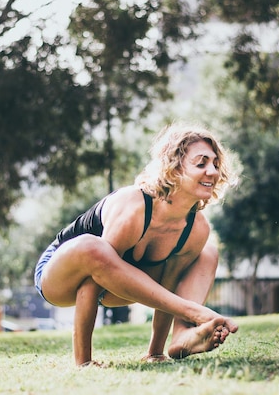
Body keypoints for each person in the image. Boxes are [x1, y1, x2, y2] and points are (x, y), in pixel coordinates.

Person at [34, 123, 239, 366]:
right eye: (201, 163)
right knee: (94, 248)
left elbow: (169, 283)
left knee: (208, 252)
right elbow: (92, 280)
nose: (212, 172)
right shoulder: (133, 207)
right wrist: (84, 362)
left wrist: (155, 353)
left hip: (121, 286)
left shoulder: (196, 227)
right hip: (61, 278)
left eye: (215, 164)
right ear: (173, 168)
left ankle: (182, 336)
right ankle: (194, 315)